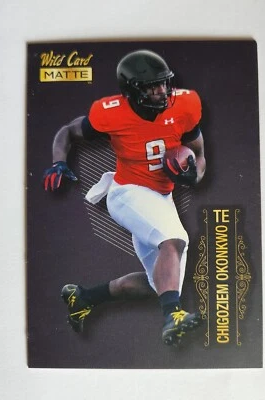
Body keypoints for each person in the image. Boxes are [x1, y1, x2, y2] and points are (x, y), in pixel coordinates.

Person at [43, 49, 206, 346]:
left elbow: (199, 153)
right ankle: (173, 316)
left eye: (164, 83)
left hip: (161, 198)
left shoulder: (185, 105)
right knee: (174, 240)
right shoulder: (111, 113)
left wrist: (194, 176)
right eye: (152, 87)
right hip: (127, 193)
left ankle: (84, 298)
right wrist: (59, 162)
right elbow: (68, 132)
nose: (162, 91)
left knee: (161, 285)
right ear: (132, 91)